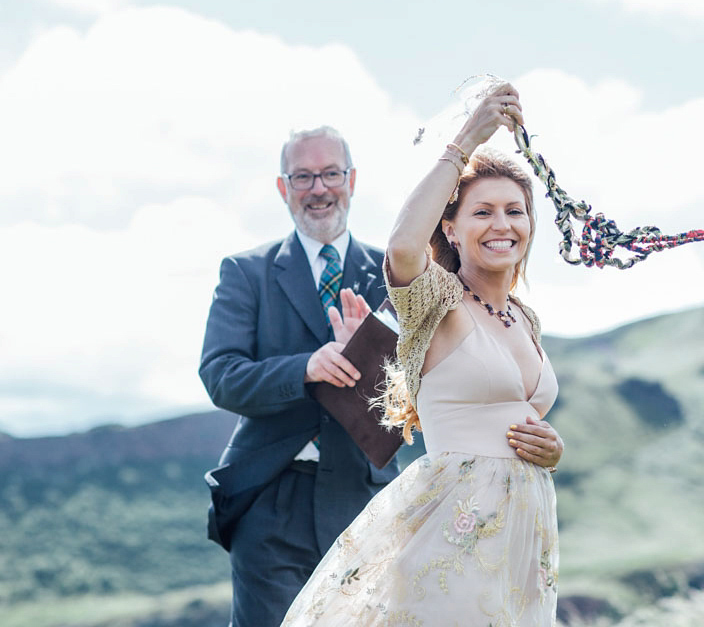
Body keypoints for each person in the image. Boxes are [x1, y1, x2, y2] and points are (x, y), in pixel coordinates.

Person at [281, 83, 564, 626]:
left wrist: (549, 448)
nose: (502, 224)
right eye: (483, 211)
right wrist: (467, 140)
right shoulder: (438, 300)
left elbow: (515, 417)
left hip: (525, 536)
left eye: (515, 211)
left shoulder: (526, 319)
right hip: (453, 531)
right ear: (452, 229)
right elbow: (404, 250)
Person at [200, 126, 425, 627]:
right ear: (284, 188)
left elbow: (419, 389)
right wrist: (305, 368)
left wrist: (370, 367)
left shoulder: (396, 275)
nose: (319, 189)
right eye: (303, 177)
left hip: (364, 499)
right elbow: (219, 375)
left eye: (330, 174)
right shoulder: (244, 272)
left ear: (352, 180)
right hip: (270, 502)